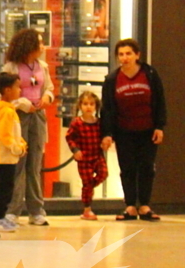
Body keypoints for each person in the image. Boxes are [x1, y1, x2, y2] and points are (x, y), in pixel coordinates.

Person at [101, 38, 166, 222]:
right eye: (121, 54)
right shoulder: (112, 79)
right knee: (127, 168)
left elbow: (160, 101)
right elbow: (107, 109)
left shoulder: (150, 74)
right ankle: (130, 206)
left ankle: (144, 205)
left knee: (146, 167)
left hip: (147, 130)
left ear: (137, 55)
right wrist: (107, 133)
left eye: (128, 53)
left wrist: (159, 126)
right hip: (124, 131)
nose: (125, 58)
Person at [0, 29, 54, 227]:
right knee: (18, 164)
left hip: (38, 117)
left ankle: (36, 210)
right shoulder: (11, 67)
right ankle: (13, 210)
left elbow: (48, 87)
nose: (41, 47)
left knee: (35, 164)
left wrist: (47, 97)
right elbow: (3, 95)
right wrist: (22, 103)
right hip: (18, 117)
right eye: (38, 43)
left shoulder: (43, 67)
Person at [0, 73, 28, 231]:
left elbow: (15, 133)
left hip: (9, 156)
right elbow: (5, 136)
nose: (19, 90)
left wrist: (21, 144)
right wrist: (16, 147)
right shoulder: (6, 112)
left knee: (7, 186)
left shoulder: (8, 110)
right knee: (4, 188)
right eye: (17, 87)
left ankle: (2, 216)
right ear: (7, 90)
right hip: (5, 156)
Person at [66, 91, 106, 220]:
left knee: (103, 174)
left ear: (96, 106)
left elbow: (104, 136)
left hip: (97, 156)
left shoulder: (99, 123)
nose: (88, 107)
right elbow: (70, 138)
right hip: (84, 159)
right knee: (87, 181)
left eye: (91, 104)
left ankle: (88, 189)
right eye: (85, 104)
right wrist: (75, 150)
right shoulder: (76, 123)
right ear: (80, 106)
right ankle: (87, 209)